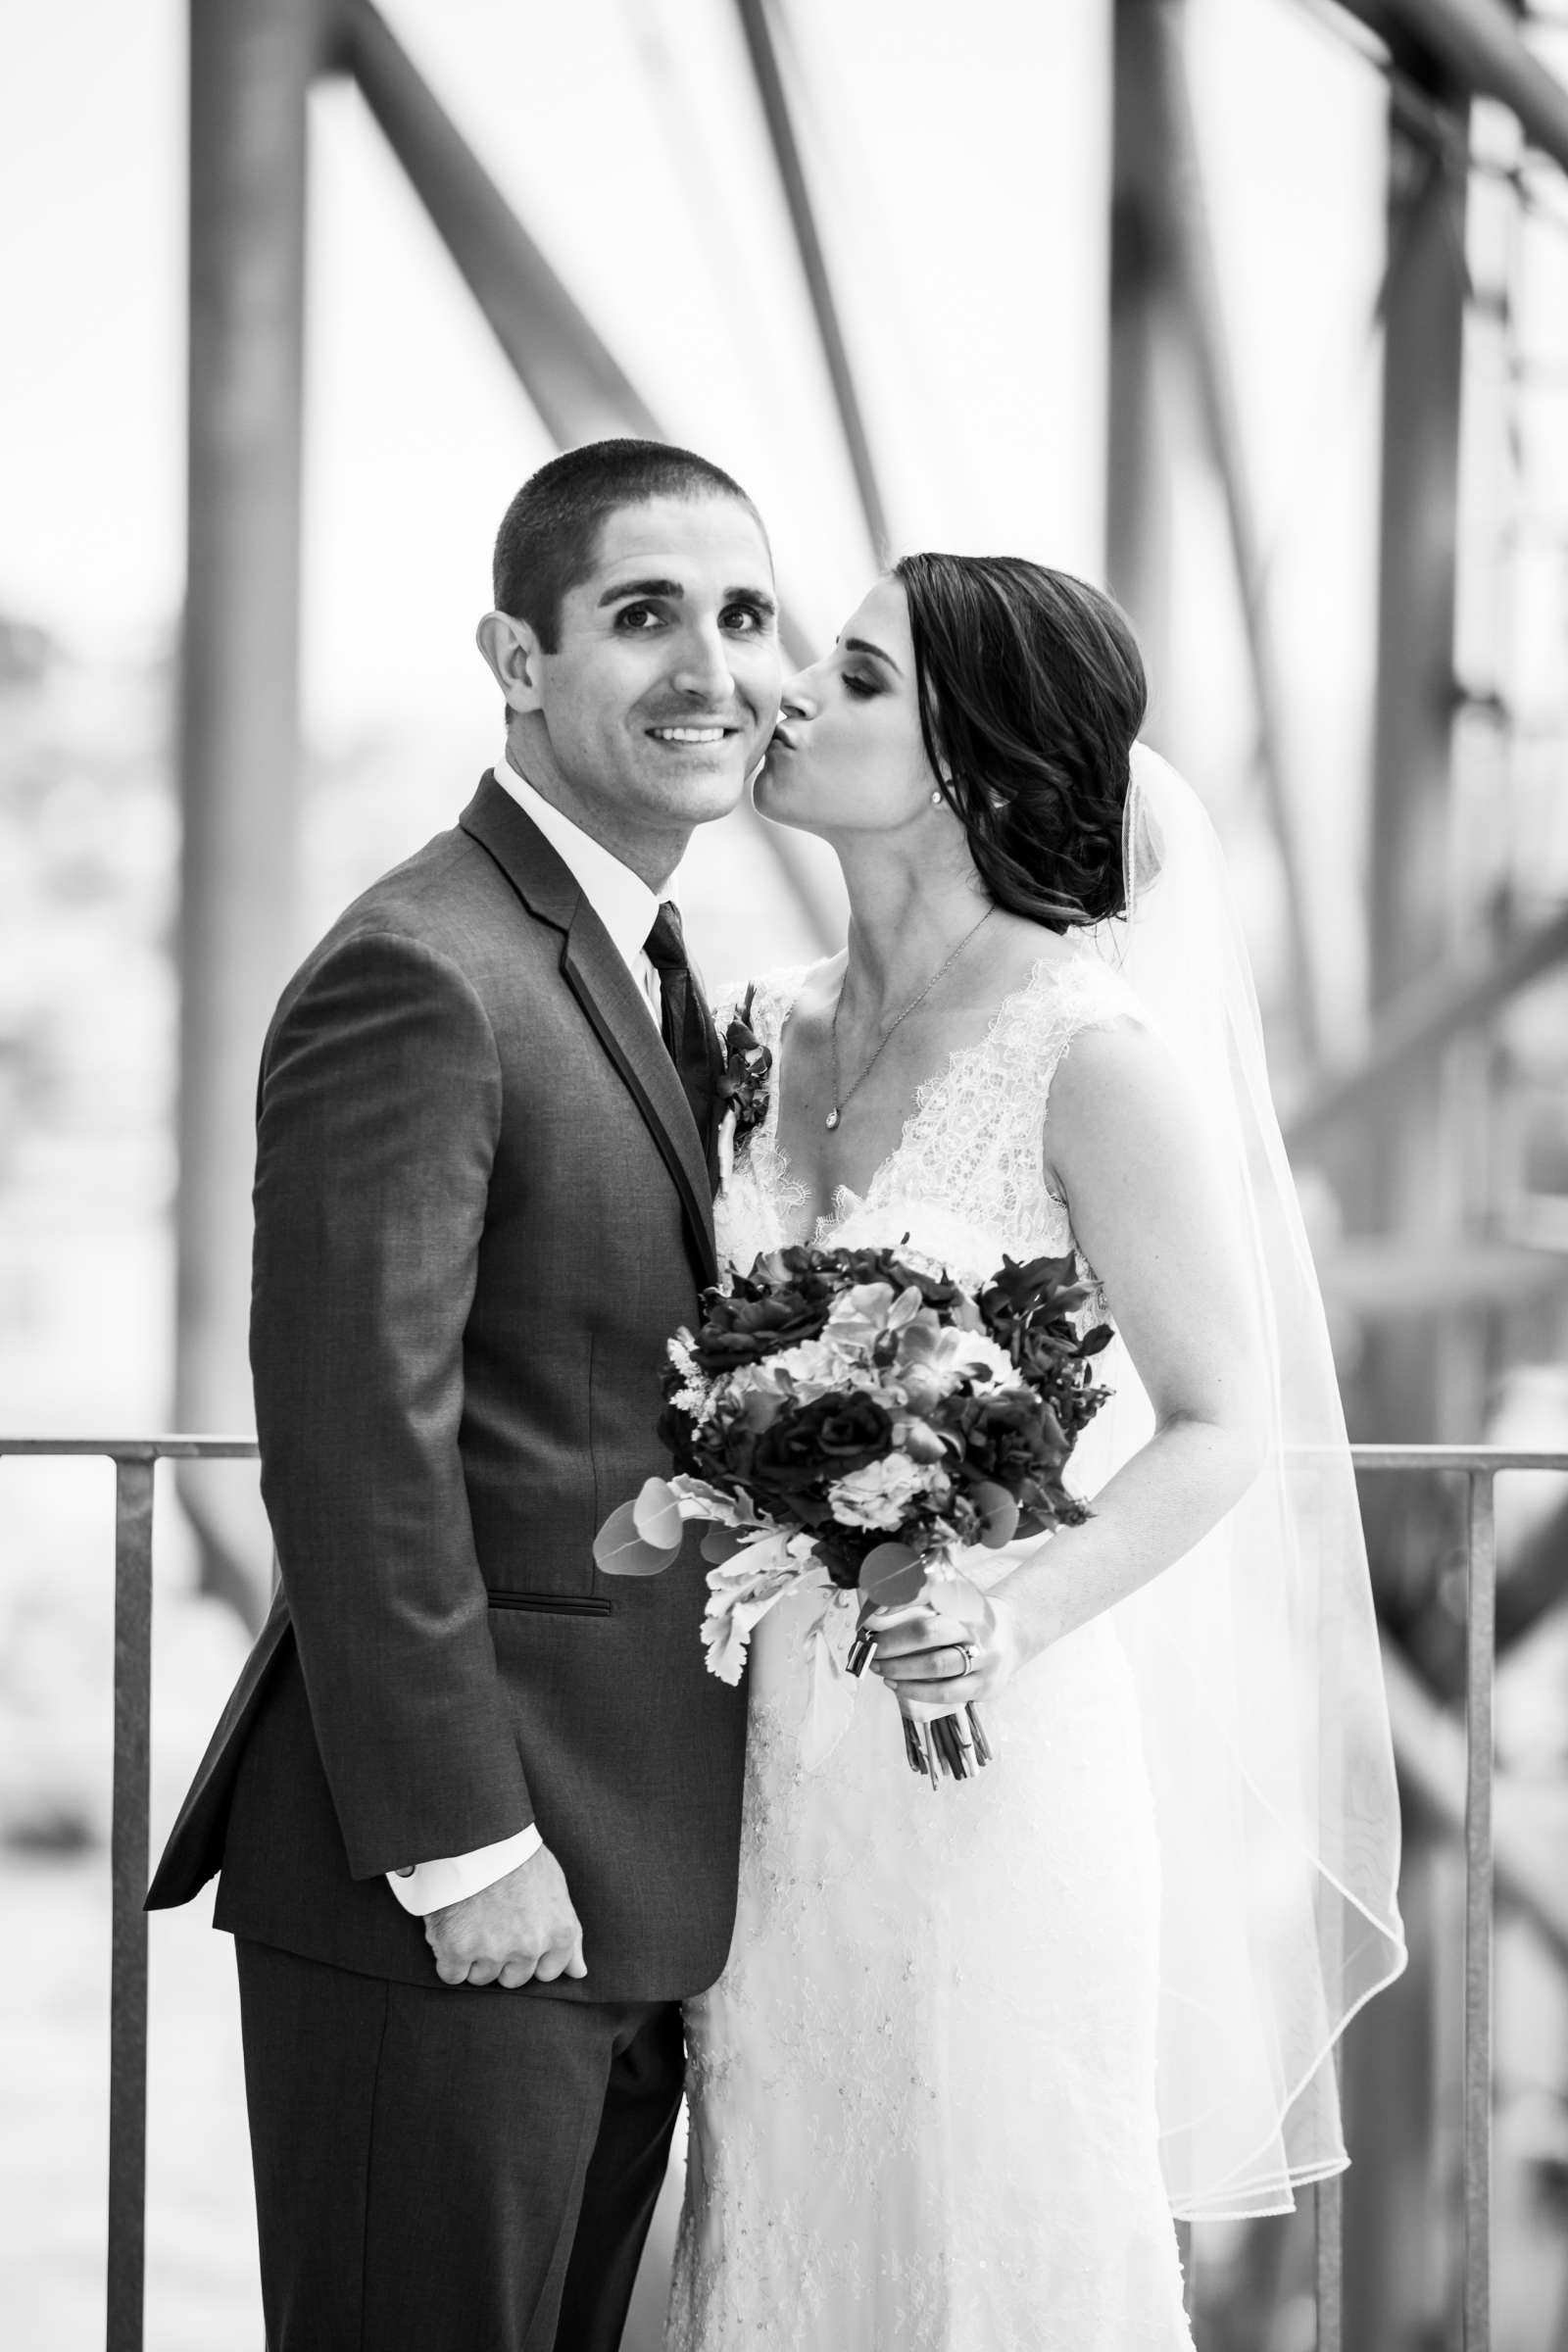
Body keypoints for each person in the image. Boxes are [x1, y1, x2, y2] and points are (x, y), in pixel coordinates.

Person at [663, 554, 1406, 2350]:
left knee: (986, 2210)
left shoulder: (1095, 1054)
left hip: (996, 1740)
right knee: (782, 2193)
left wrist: (1010, 1601)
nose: (779, 698)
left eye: (846, 678)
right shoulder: (758, 1028)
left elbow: (1225, 1419)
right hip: (770, 1742)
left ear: (972, 762)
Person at [146, 438, 783, 2352]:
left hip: (635, 1887)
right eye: (642, 614)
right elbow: (356, 1444)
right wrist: (465, 1849)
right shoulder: (424, 970)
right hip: (462, 1893)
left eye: (743, 614)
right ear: (514, 657)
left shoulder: (642, 960)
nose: (710, 668)